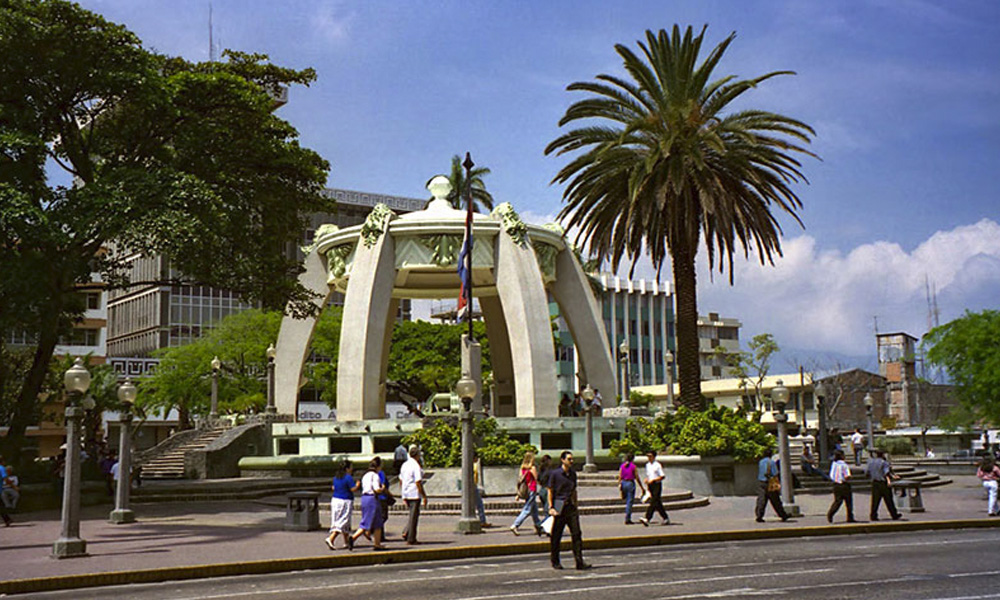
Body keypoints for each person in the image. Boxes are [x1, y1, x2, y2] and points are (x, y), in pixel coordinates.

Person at [547, 451, 590, 570]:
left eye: (572, 459)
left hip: (570, 507)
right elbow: (550, 491)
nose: (571, 461)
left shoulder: (572, 474)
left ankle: (579, 561)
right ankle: (555, 560)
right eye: (569, 459)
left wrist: (576, 505)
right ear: (562, 460)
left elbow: (574, 490)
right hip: (559, 506)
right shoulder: (555, 474)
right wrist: (551, 507)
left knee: (576, 534)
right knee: (556, 535)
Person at [350, 458, 386, 550]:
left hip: (364, 498)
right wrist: (382, 488)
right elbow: (376, 488)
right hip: (372, 498)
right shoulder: (375, 476)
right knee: (369, 522)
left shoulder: (365, 475)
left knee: (376, 521)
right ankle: (353, 538)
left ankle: (377, 544)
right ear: (378, 467)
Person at [325, 459, 359, 550]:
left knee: (340, 520)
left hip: (335, 499)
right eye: (351, 467)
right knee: (343, 520)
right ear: (347, 468)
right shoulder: (348, 477)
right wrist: (358, 485)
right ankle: (331, 538)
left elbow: (333, 487)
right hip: (345, 500)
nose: (352, 469)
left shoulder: (336, 477)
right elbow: (353, 489)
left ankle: (346, 541)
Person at [510, 451, 543, 535]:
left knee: (534, 509)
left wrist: (518, 493)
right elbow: (536, 479)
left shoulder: (522, 468)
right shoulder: (532, 468)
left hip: (526, 490)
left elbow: (520, 480)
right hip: (532, 488)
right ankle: (515, 525)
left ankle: (538, 525)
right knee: (528, 509)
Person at [399, 444, 427, 544]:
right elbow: (418, 482)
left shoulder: (404, 465)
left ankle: (406, 531)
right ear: (417, 455)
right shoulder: (416, 466)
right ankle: (411, 538)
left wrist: (403, 494)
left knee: (411, 514)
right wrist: (424, 495)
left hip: (406, 492)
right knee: (414, 516)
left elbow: (401, 479)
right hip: (414, 493)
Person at [755, 448, 789, 523]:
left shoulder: (761, 462)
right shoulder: (771, 462)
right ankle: (783, 515)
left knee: (762, 499)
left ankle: (759, 515)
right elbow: (775, 473)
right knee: (775, 500)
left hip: (761, 482)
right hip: (770, 482)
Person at [865, 450, 902, 521]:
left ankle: (873, 515)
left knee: (875, 501)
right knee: (889, 500)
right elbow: (886, 473)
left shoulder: (871, 463)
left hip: (875, 483)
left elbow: (867, 473)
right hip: (883, 483)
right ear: (882, 455)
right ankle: (894, 514)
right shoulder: (884, 463)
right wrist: (890, 480)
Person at [640, 450, 669, 526]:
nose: (649, 458)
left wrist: (654, 480)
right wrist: (647, 479)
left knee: (653, 501)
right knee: (657, 503)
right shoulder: (647, 465)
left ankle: (647, 518)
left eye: (650, 456)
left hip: (657, 485)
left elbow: (662, 476)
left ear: (654, 457)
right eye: (648, 456)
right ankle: (665, 518)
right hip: (650, 485)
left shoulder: (657, 465)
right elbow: (649, 475)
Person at [827, 449, 856, 523]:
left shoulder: (834, 464)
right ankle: (850, 517)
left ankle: (831, 513)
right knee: (848, 502)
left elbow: (831, 475)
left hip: (836, 484)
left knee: (837, 501)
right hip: (844, 485)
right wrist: (851, 477)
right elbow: (847, 476)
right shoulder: (844, 465)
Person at [616, 452, 644, 525]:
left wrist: (619, 484)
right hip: (630, 483)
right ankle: (627, 518)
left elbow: (619, 476)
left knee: (626, 499)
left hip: (623, 482)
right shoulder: (633, 466)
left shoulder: (622, 466)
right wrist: (641, 487)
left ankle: (627, 517)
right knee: (629, 501)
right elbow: (637, 477)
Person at [375, 457, 395, 536]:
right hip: (382, 497)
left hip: (376, 497)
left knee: (380, 515)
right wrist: (389, 494)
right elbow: (383, 486)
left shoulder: (373, 473)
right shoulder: (381, 473)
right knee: (384, 516)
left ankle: (380, 535)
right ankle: (375, 529)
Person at [472, 453, 492, 528]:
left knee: (475, 504)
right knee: (479, 504)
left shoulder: (470, 465)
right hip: (473, 487)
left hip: (473, 486)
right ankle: (482, 521)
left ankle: (481, 520)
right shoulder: (472, 466)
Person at [0, 457, 11, 526]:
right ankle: (7, 519)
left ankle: (7, 519)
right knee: (1, 506)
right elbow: (6, 479)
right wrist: (13, 486)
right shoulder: (1, 468)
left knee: (1, 505)